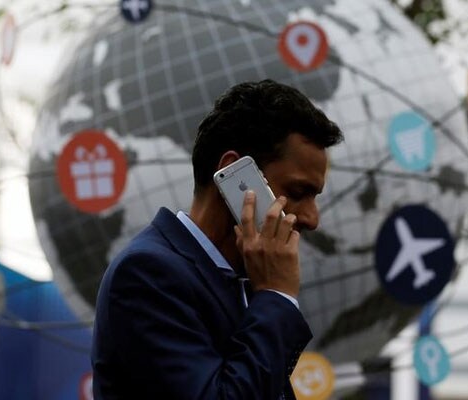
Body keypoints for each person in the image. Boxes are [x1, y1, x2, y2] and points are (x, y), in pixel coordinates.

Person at [91, 79, 343, 399]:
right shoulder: (146, 275)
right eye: (297, 192)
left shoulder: (245, 285)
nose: (312, 219)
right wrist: (277, 296)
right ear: (237, 175)